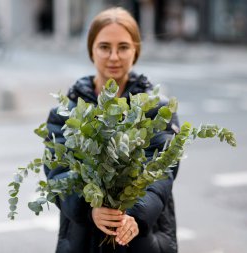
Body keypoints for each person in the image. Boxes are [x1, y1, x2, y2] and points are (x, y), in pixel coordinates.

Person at [44, 7, 179, 253]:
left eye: (123, 47)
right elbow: (58, 173)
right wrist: (89, 208)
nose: (114, 57)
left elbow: (162, 172)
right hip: (83, 240)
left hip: (143, 238)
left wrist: (135, 214)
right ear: (91, 50)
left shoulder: (157, 110)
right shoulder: (66, 113)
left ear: (135, 50)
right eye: (105, 47)